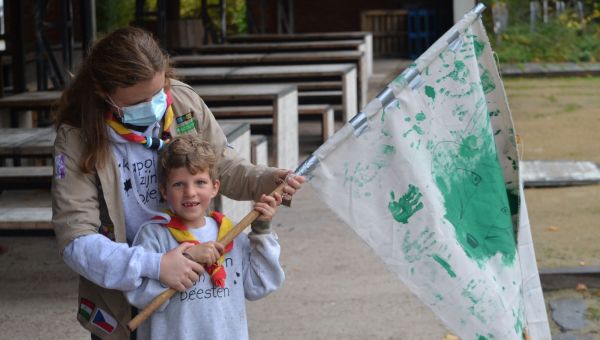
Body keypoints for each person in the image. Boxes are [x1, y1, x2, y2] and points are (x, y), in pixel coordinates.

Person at [52, 26, 303, 339]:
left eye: (158, 94)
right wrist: (155, 266)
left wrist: (265, 179)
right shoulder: (78, 137)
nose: (155, 106)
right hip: (125, 287)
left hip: (197, 282)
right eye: (138, 102)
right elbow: (76, 238)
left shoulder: (183, 103)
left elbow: (221, 165)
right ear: (105, 94)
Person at [125, 135, 284, 340]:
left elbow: (259, 285)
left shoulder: (231, 233)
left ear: (215, 187)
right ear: (164, 190)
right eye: (179, 185)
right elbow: (138, 295)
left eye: (200, 182)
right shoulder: (153, 236)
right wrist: (186, 261)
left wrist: (262, 231)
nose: (190, 192)